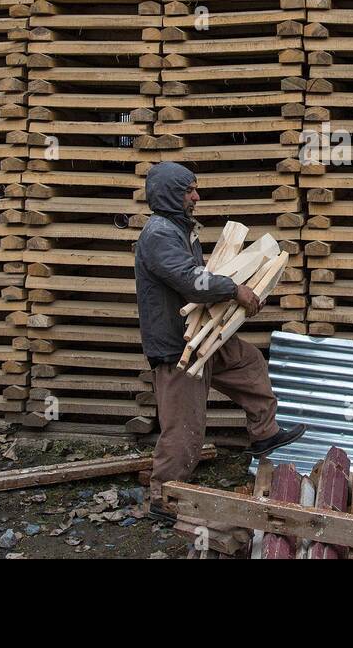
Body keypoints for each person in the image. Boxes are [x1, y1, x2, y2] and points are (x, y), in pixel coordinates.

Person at [134, 161, 306, 522]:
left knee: (247, 363)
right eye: (188, 190)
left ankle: (264, 433)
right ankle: (164, 498)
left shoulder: (180, 228)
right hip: (176, 345)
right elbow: (189, 279)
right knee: (184, 430)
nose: (196, 196)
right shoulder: (159, 234)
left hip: (203, 334)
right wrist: (235, 290)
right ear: (170, 194)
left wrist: (235, 299)